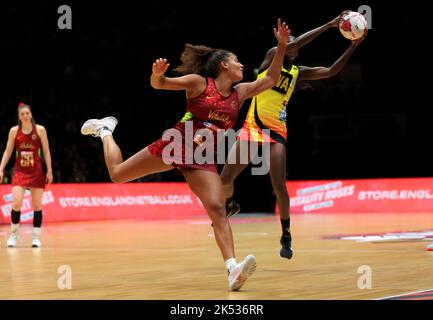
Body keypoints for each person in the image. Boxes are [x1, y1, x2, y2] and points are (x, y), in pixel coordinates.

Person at [80, 20, 290, 291]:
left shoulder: (240, 92)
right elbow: (161, 84)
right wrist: (157, 74)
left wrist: (282, 46)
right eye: (236, 60)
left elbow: (272, 79)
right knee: (118, 175)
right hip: (175, 145)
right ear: (223, 65)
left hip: (201, 160)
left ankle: (232, 269)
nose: (241, 64)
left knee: (217, 209)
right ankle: (105, 130)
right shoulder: (198, 83)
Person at [220, 11, 368, 260]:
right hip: (253, 127)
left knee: (278, 184)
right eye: (288, 43)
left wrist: (353, 47)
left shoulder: (298, 72)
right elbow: (294, 43)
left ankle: (286, 234)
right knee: (225, 179)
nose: (291, 45)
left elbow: (331, 71)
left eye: (293, 44)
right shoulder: (271, 58)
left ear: (296, 52)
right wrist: (329, 24)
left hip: (276, 131)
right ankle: (231, 203)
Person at [0, 102, 54, 248]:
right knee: (16, 203)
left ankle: (36, 237)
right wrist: (1, 168)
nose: (25, 116)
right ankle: (14, 234)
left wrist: (49, 170)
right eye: (22, 114)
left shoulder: (40, 130)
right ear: (19, 117)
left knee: (37, 206)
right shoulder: (13, 131)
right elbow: (7, 151)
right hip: (20, 171)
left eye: (27, 113)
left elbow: (47, 151)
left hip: (36, 172)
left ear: (31, 114)